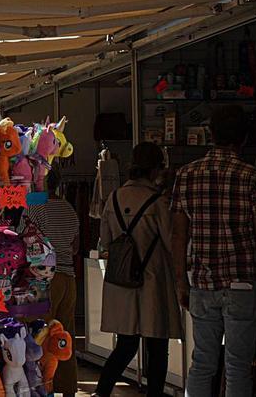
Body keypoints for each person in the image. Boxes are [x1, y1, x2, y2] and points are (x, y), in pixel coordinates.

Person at [171, 104, 256, 397]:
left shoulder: (186, 175)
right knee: (237, 365)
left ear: (211, 134)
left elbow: (179, 235)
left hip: (202, 283)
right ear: (243, 138)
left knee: (202, 362)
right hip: (242, 282)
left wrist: (181, 280)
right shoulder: (253, 177)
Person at [94, 143, 183, 397]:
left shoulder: (113, 198)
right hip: (152, 281)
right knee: (157, 346)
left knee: (125, 345)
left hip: (122, 281)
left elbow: (106, 239)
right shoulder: (158, 201)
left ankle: (102, 392)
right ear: (156, 169)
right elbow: (170, 241)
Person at [25, 167, 80, 396]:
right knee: (64, 336)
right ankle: (68, 388)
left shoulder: (35, 207)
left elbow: (25, 241)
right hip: (69, 278)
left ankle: (43, 386)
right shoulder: (69, 208)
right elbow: (75, 246)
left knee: (41, 335)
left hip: (45, 280)